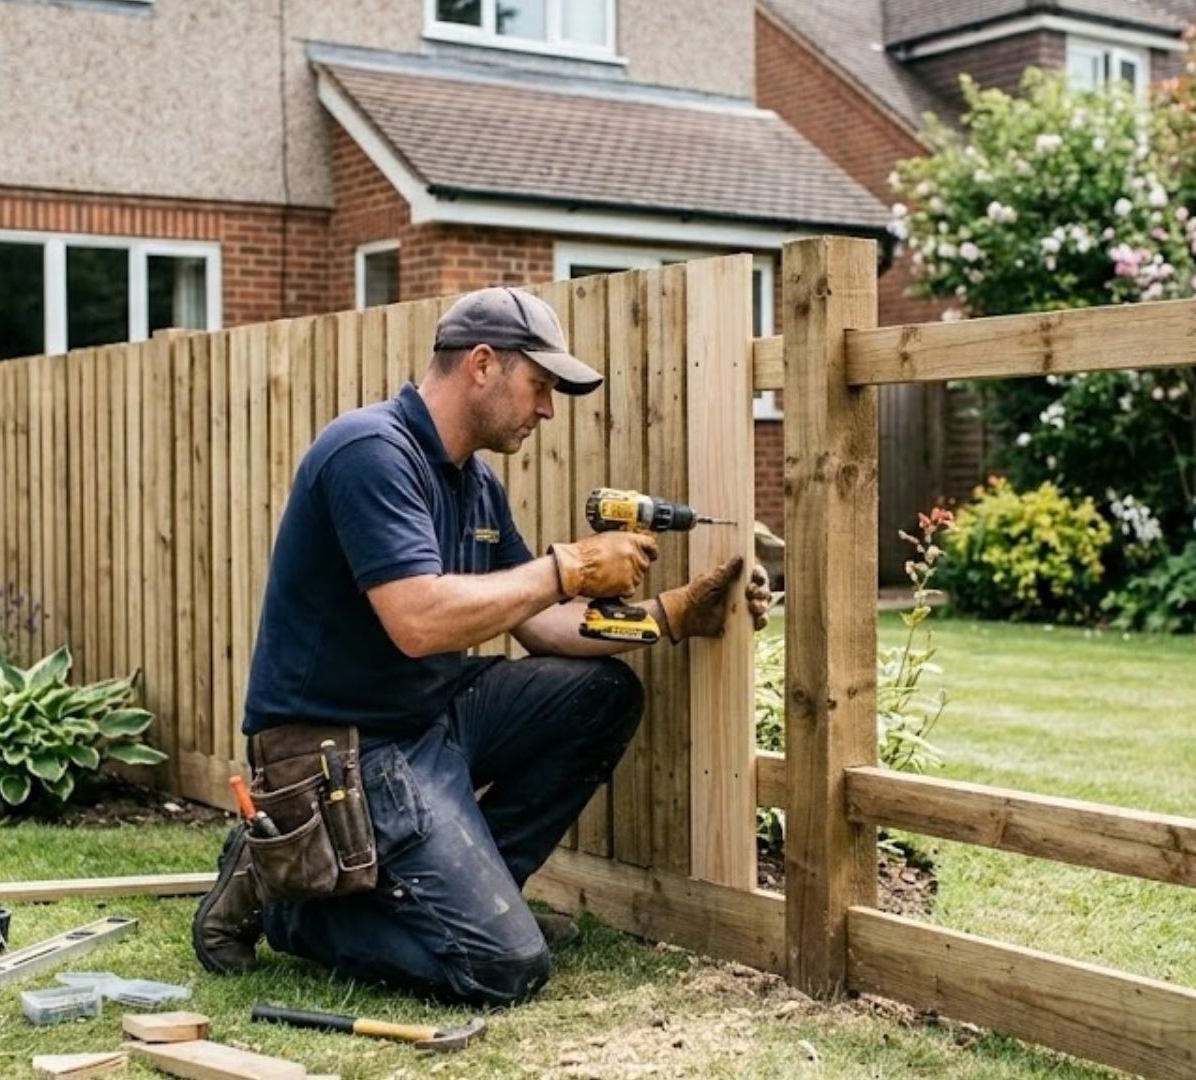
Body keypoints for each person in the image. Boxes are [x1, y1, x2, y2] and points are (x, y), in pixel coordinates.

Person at [192, 285, 771, 1006]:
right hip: (341, 748)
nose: (547, 410)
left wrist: (673, 614)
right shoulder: (370, 453)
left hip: (427, 717)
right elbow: (418, 620)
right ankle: (291, 906)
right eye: (540, 386)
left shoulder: (476, 484)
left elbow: (540, 624)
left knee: (600, 695)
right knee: (503, 970)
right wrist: (566, 567)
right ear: (483, 364)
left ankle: (481, 895)